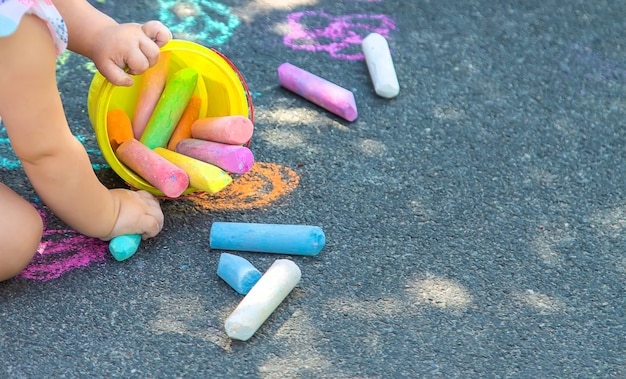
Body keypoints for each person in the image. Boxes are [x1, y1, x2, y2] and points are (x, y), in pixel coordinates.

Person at [0, 0, 170, 281]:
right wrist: (108, 213)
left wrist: (101, 34)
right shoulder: (15, 28)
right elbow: (45, 152)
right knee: (11, 238)